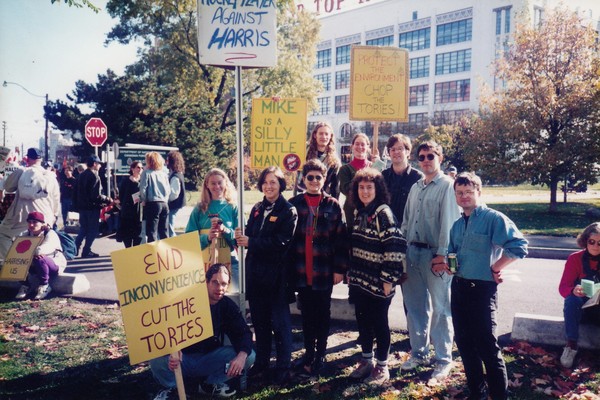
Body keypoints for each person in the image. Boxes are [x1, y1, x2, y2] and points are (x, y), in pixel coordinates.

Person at [447, 172, 528, 400]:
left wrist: (497, 267)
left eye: (469, 192)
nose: (464, 197)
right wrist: (448, 262)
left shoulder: (493, 218)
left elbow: (519, 245)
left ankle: (499, 396)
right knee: (464, 344)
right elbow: (451, 251)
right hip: (459, 287)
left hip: (482, 291)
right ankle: (477, 392)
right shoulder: (456, 225)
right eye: (459, 193)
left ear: (479, 193)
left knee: (487, 348)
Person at [400, 141, 461, 381]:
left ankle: (444, 358)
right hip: (412, 253)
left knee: (441, 309)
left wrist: (442, 254)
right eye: (422, 156)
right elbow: (406, 221)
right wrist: (401, 250)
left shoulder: (447, 186)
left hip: (436, 256)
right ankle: (419, 353)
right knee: (415, 308)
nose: (426, 160)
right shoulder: (416, 187)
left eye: (430, 156)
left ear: (440, 158)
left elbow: (449, 222)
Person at [149, 264, 255, 400]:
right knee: (156, 358)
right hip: (182, 360)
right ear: (206, 282)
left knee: (249, 356)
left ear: (228, 285)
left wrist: (241, 356)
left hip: (208, 359)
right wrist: (172, 350)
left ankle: (210, 384)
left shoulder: (226, 305)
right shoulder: (188, 300)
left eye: (223, 284)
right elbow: (165, 330)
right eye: (215, 282)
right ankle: (172, 388)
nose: (219, 288)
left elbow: (243, 333)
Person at [235, 166, 297, 385]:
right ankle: (262, 363)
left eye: (273, 182)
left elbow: (282, 242)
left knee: (280, 324)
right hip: (256, 276)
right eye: (265, 182)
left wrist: (252, 242)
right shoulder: (257, 208)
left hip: (277, 278)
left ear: (281, 184)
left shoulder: (288, 211)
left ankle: (283, 366)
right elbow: (249, 235)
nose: (269, 186)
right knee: (260, 323)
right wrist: (237, 235)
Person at [288, 159, 348, 376]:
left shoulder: (333, 205)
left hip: (324, 271)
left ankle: (321, 354)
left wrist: (340, 269)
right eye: (310, 177)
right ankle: (308, 352)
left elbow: (341, 241)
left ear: (324, 180)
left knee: (323, 313)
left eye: (318, 177)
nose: (314, 181)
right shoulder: (294, 204)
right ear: (304, 180)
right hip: (302, 270)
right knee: (306, 314)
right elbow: (289, 240)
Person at [346, 168, 406, 385]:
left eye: (369, 187)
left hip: (380, 282)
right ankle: (366, 361)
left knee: (380, 323)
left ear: (377, 189)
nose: (364, 191)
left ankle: (382, 366)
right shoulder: (358, 212)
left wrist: (388, 279)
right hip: (361, 280)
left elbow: (396, 247)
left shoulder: (383, 213)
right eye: (361, 187)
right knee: (363, 322)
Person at [0, 148, 60, 262]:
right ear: (40, 159)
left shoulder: (21, 171)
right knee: (44, 239)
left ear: (27, 159)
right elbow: (56, 198)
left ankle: (14, 261)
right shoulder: (50, 176)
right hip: (43, 216)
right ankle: (38, 261)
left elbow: (8, 187)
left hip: (20, 216)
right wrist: (54, 216)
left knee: (2, 235)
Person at [186, 168, 239, 291]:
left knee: (231, 296)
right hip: (203, 263)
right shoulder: (200, 208)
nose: (217, 186)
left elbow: (240, 239)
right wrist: (207, 237)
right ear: (207, 185)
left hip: (230, 263)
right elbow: (188, 238)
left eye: (220, 182)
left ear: (225, 183)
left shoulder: (233, 207)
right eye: (213, 183)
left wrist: (226, 230)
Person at [558, 222, 600, 369]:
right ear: (585, 241)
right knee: (571, 300)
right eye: (592, 242)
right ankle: (571, 345)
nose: (595, 246)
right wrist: (573, 290)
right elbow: (563, 287)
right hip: (581, 310)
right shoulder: (575, 258)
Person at [14, 211, 67, 300]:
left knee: (40, 257)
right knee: (15, 259)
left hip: (53, 263)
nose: (31, 225)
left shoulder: (50, 234)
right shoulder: (25, 234)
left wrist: (29, 252)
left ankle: (44, 285)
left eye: (35, 222)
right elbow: (15, 246)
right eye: (29, 222)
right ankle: (26, 285)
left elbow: (41, 250)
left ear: (42, 224)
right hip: (32, 263)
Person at [338, 133, 385, 226]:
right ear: (352, 146)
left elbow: (381, 189)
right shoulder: (345, 169)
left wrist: (378, 167)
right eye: (357, 144)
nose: (360, 147)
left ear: (368, 147)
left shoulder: (374, 166)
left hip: (372, 211)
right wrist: (364, 173)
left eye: (363, 144)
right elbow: (345, 190)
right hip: (352, 211)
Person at [72, 155, 112, 258]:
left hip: (82, 207)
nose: (100, 166)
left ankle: (74, 249)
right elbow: (95, 195)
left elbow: (76, 192)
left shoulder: (81, 175)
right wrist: (107, 199)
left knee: (83, 229)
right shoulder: (94, 176)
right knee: (93, 230)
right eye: (99, 164)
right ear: (94, 164)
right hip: (92, 208)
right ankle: (86, 250)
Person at [293, 122, 341, 199]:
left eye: (326, 134)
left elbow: (335, 186)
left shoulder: (334, 161)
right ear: (315, 135)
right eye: (321, 133)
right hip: (301, 193)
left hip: (321, 198)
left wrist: (335, 205)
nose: (324, 137)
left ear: (330, 136)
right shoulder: (304, 152)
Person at [139, 152, 170, 243]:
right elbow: (168, 190)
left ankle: (153, 253)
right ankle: (166, 252)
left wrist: (143, 200)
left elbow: (143, 189)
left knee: (152, 231)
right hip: (164, 203)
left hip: (153, 203)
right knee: (164, 230)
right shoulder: (163, 174)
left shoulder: (146, 173)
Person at [116, 162, 143, 248]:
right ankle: (128, 250)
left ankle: (135, 252)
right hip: (128, 211)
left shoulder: (142, 180)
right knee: (127, 234)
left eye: (141, 168)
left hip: (139, 211)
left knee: (137, 234)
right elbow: (122, 195)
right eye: (138, 167)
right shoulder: (126, 180)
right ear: (132, 168)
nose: (140, 169)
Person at [166, 151, 186, 237]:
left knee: (169, 225)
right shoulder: (178, 174)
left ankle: (172, 239)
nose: (166, 162)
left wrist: (165, 200)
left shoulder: (175, 177)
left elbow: (174, 194)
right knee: (169, 224)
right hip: (176, 204)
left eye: (168, 160)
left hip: (173, 204)